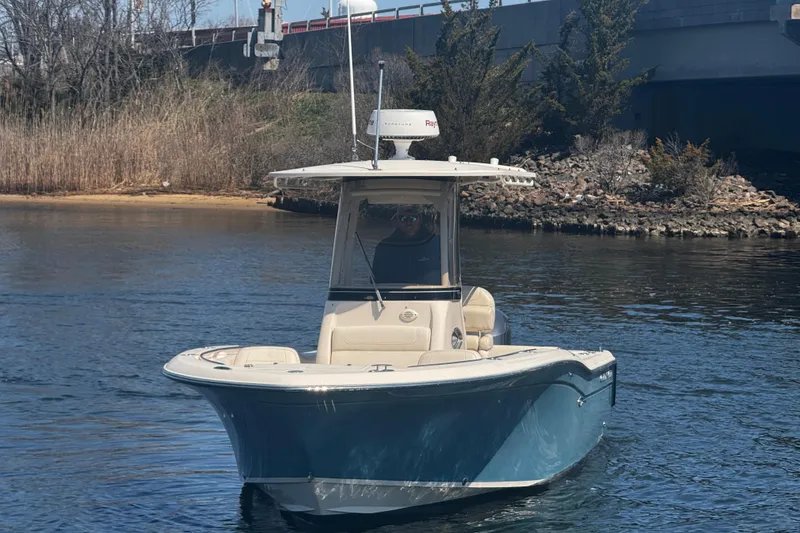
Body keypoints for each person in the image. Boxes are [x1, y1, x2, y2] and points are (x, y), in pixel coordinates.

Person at [372, 206, 441, 285]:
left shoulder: (437, 244)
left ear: (420, 219)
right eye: (403, 219)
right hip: (391, 295)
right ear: (397, 220)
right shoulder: (383, 247)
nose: (408, 223)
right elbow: (376, 281)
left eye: (413, 218)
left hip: (430, 295)